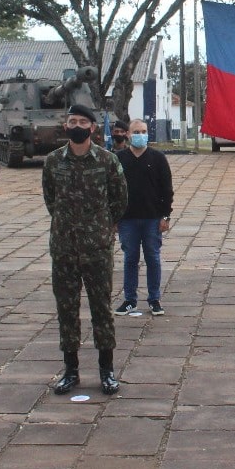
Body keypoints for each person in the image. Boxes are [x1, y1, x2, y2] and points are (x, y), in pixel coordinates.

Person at [43, 103, 128, 396]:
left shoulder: (106, 161)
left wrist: (102, 227)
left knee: (101, 309)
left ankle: (107, 370)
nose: (77, 125)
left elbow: (120, 200)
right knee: (66, 311)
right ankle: (71, 371)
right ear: (66, 125)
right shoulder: (53, 161)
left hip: (97, 250)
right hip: (64, 249)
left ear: (92, 128)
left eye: (82, 121)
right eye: (72, 121)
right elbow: (51, 200)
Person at [114, 118, 173, 316]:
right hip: (127, 219)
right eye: (136, 132)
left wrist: (166, 216)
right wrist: (113, 218)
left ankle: (154, 299)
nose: (140, 135)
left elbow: (167, 189)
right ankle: (130, 300)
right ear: (128, 135)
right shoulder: (118, 158)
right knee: (130, 258)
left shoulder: (157, 158)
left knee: (153, 258)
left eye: (144, 131)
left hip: (152, 218)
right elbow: (111, 189)